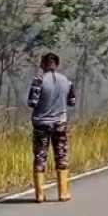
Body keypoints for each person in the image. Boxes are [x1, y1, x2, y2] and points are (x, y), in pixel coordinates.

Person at [27, 52, 76, 203]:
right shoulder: (67, 81)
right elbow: (72, 102)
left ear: (43, 64)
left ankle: (40, 195)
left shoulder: (39, 80)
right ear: (57, 64)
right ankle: (63, 193)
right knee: (61, 155)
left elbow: (32, 102)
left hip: (41, 124)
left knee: (40, 156)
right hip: (60, 123)